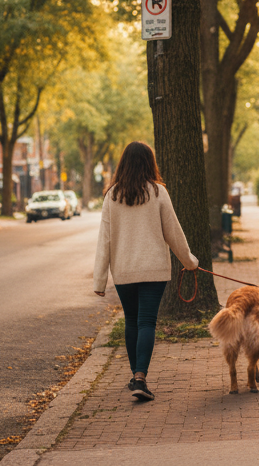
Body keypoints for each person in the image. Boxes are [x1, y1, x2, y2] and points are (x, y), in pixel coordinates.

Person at [93, 141, 198, 402]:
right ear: (150, 163)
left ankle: (135, 377)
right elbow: (173, 232)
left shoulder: (112, 196)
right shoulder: (158, 192)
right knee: (146, 322)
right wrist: (189, 262)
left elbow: (103, 239)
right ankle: (140, 377)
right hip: (154, 270)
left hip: (124, 271)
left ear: (123, 164)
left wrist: (100, 279)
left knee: (131, 321)